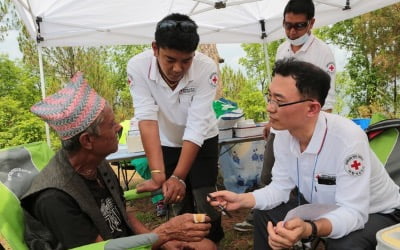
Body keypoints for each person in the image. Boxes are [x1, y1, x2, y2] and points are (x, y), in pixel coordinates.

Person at [209, 58, 400, 250]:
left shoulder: (348, 139)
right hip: (325, 205)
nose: (269, 107)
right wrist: (240, 200)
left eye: (279, 101)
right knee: (264, 214)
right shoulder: (283, 132)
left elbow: (353, 213)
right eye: (270, 97)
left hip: (377, 212)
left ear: (312, 108)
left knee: (344, 243)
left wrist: (309, 228)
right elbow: (280, 187)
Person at [21, 73, 216, 250]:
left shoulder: (96, 164)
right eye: (111, 125)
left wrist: (162, 242)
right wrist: (165, 234)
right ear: (87, 141)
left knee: (206, 246)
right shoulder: (54, 198)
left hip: (126, 243)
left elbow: (123, 214)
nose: (118, 128)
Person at [234, 0, 337, 232]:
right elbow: (278, 92)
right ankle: (262, 215)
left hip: (308, 128)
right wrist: (274, 122)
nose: (292, 31)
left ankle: (306, 220)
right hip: (283, 126)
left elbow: (325, 101)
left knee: (308, 179)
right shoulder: (282, 49)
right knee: (269, 173)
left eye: (298, 26)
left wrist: (316, 137)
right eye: (287, 25)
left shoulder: (322, 52)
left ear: (311, 23)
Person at [127, 13, 224, 243]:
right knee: (175, 200)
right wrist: (158, 174)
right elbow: (147, 118)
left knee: (205, 199)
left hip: (203, 140)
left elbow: (196, 125)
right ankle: (182, 244)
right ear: (155, 48)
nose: (178, 68)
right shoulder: (137, 67)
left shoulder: (206, 67)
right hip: (167, 141)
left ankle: (212, 242)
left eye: (186, 60)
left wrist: (179, 176)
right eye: (170, 59)